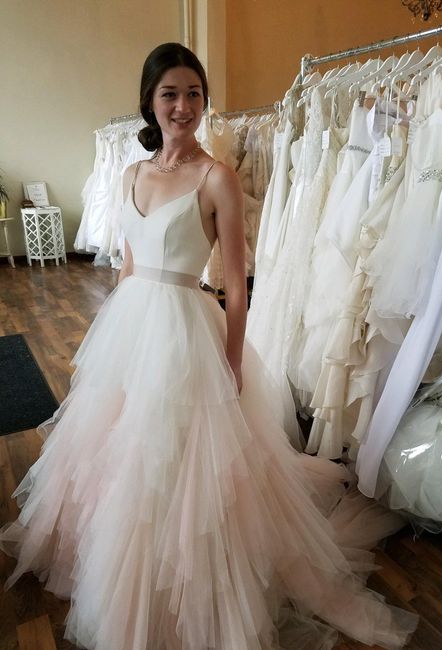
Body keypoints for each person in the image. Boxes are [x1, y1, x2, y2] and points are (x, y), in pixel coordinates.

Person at [0, 43, 417, 649]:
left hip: (186, 328)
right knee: (120, 448)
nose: (183, 106)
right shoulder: (131, 174)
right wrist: (111, 333)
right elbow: (129, 264)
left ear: (204, 101)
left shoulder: (216, 177)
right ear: (149, 101)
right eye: (170, 94)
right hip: (133, 324)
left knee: (182, 455)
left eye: (193, 94)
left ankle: (183, 580)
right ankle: (116, 564)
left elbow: (238, 284)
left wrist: (232, 359)